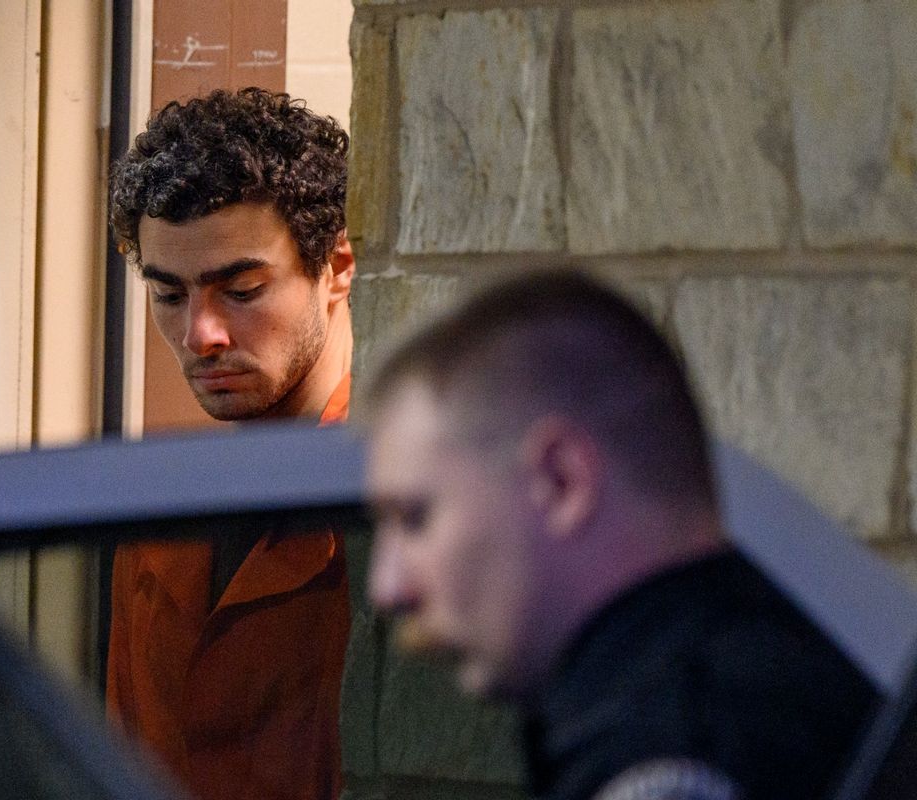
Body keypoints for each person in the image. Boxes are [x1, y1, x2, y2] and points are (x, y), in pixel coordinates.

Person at [364, 270, 880, 800]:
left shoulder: (671, 757)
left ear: (560, 480)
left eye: (415, 518)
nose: (388, 587)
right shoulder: (774, 683)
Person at [106, 87, 354, 800]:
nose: (200, 336)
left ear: (336, 269)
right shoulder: (157, 514)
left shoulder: (392, 508)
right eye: (169, 295)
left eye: (241, 291)